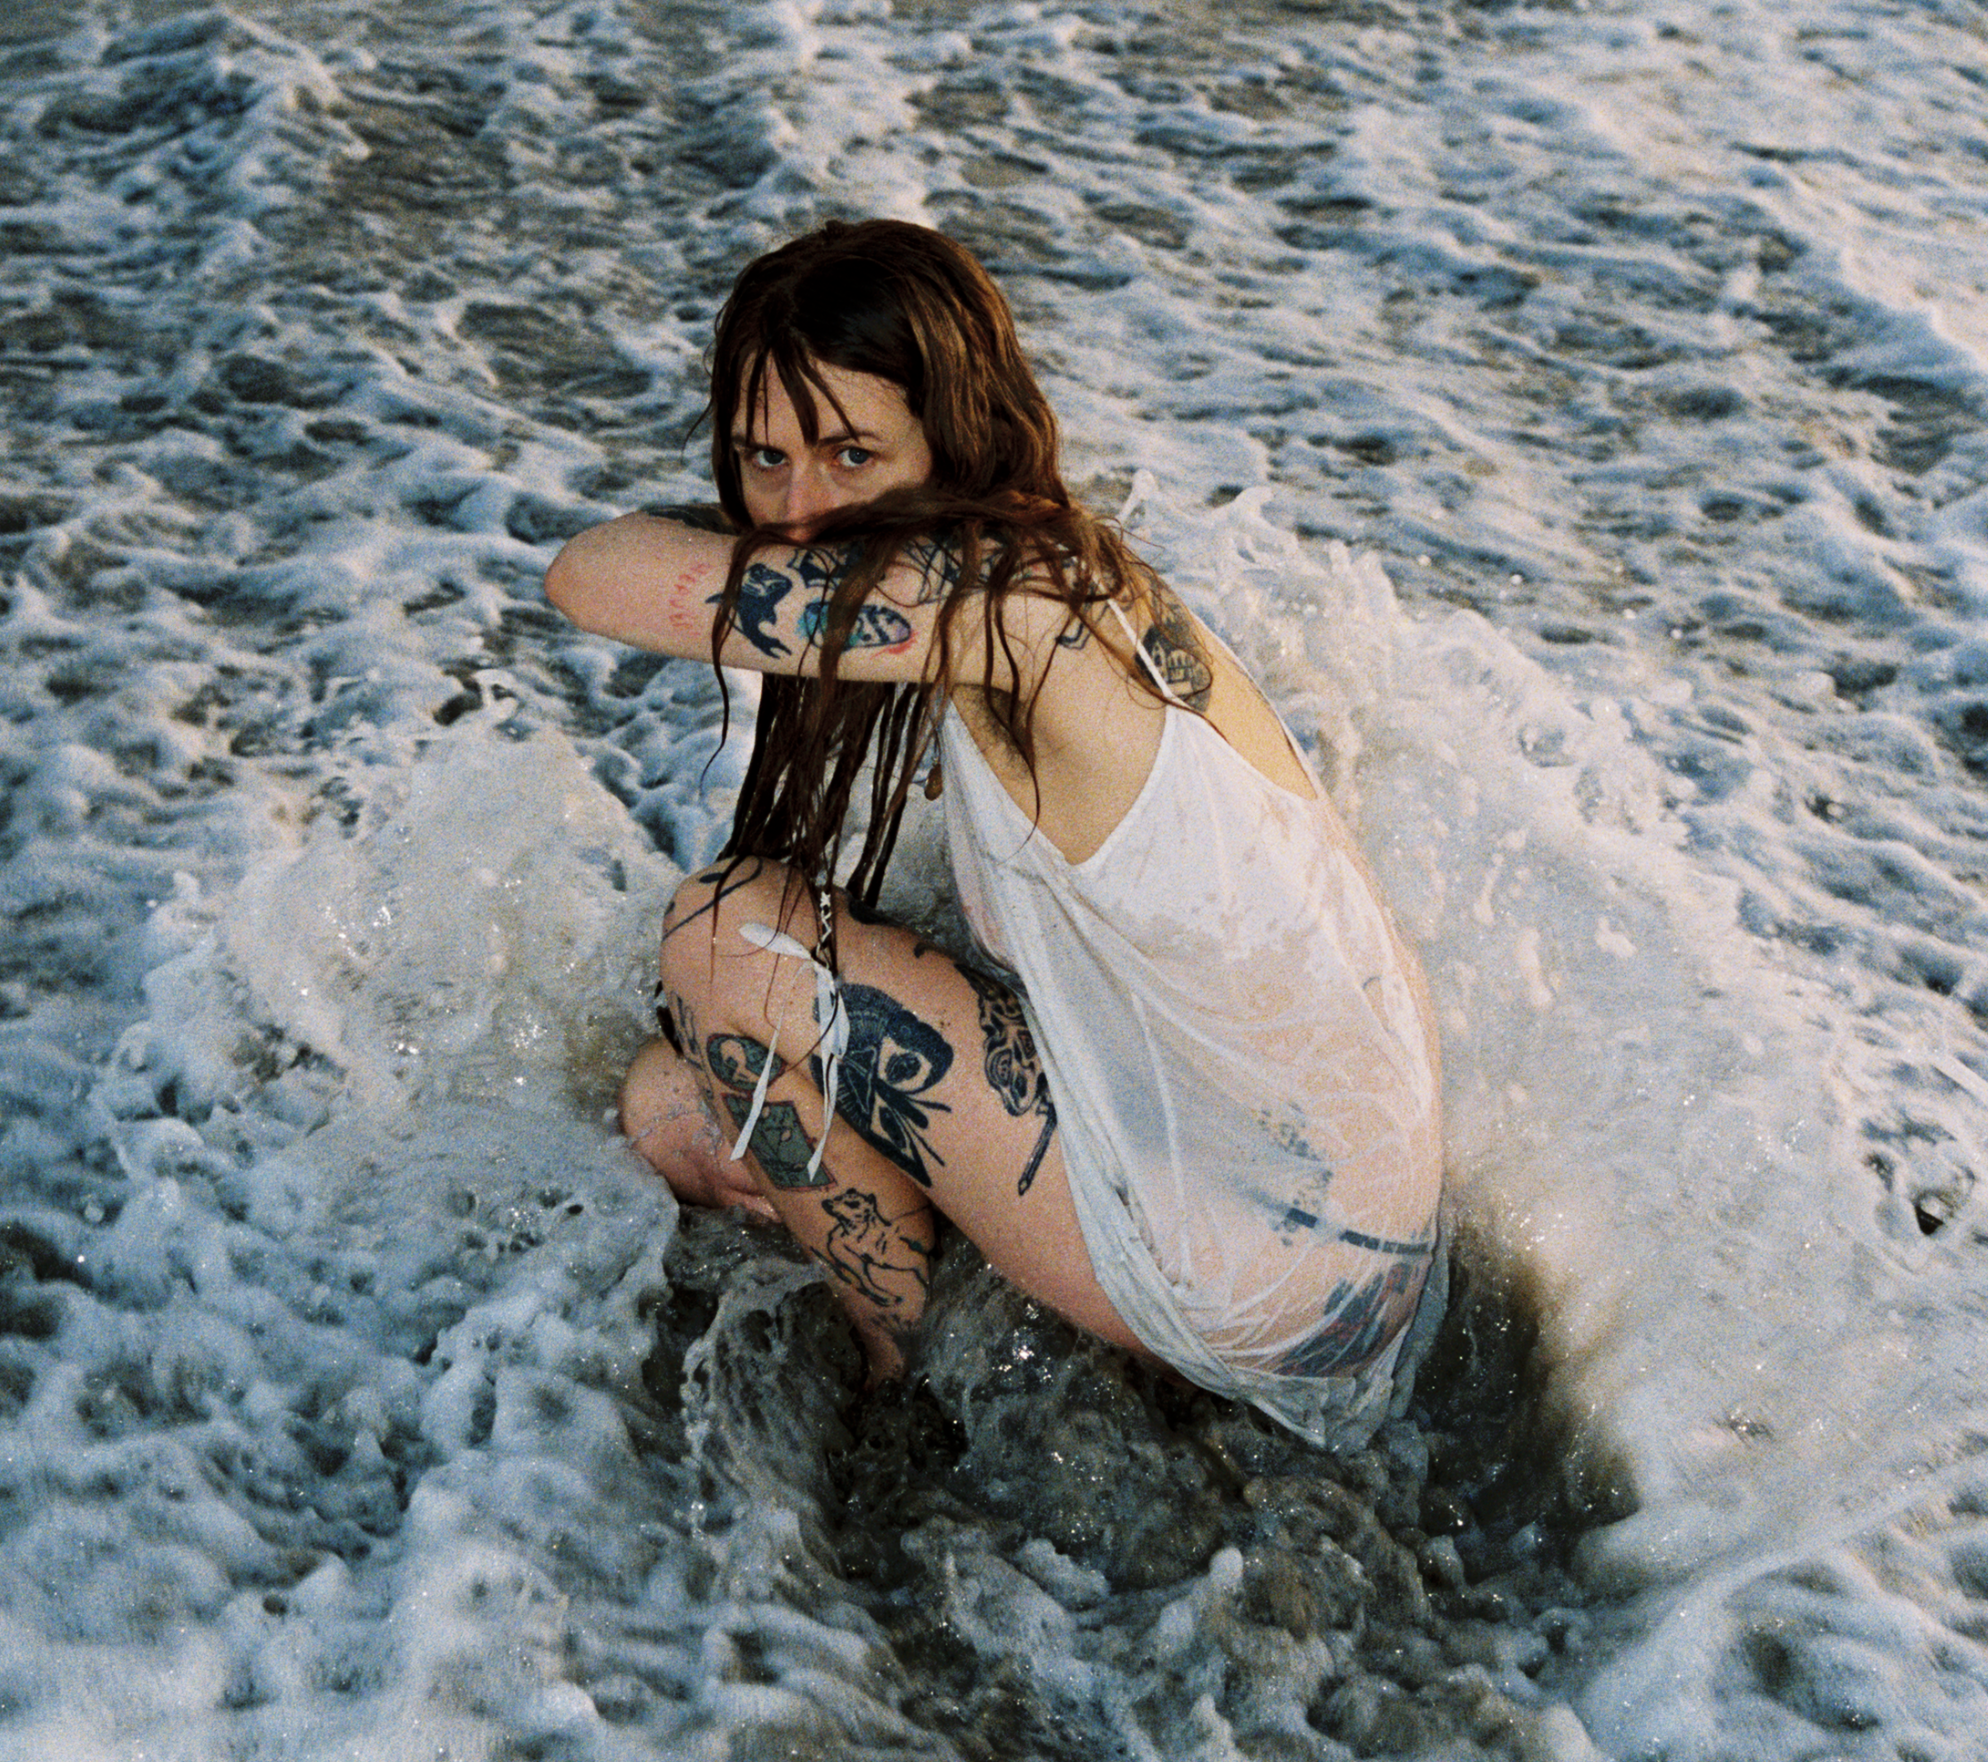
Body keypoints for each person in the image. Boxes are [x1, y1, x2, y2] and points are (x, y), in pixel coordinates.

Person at [546, 219, 1443, 1446]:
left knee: (719, 938)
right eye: (763, 456)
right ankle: (1017, 1302)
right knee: (669, 1106)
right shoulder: (1074, 575)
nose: (798, 513)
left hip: (1251, 1270)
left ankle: (909, 1385)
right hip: (1358, 1244)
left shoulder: (1006, 609)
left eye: (850, 453)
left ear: (955, 437)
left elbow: (587, 575)